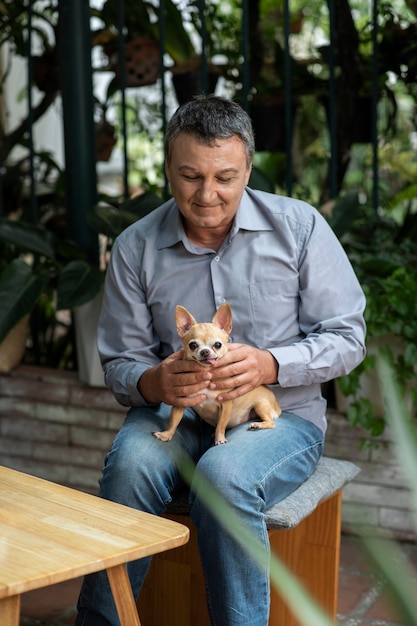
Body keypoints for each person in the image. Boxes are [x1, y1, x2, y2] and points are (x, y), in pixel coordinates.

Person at [75, 94, 366, 626]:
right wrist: (153, 381)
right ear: (167, 169)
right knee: (131, 466)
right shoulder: (135, 247)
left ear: (249, 168)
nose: (207, 194)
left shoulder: (298, 228)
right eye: (189, 176)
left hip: (278, 420)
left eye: (225, 177)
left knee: (224, 474)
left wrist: (272, 364)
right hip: (175, 416)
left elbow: (348, 337)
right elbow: (120, 362)